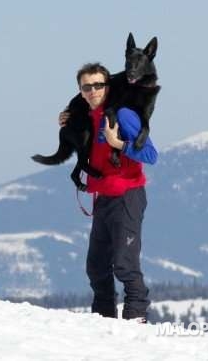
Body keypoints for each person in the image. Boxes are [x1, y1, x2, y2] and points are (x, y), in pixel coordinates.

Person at [59, 62, 158, 323]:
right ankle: (103, 322)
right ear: (81, 91)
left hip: (127, 196)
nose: (93, 91)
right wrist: (66, 119)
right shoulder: (89, 117)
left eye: (98, 85)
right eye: (87, 86)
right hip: (102, 197)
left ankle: (136, 317)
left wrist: (119, 144)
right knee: (96, 267)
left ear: (108, 86)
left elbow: (151, 154)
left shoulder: (123, 115)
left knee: (125, 264)